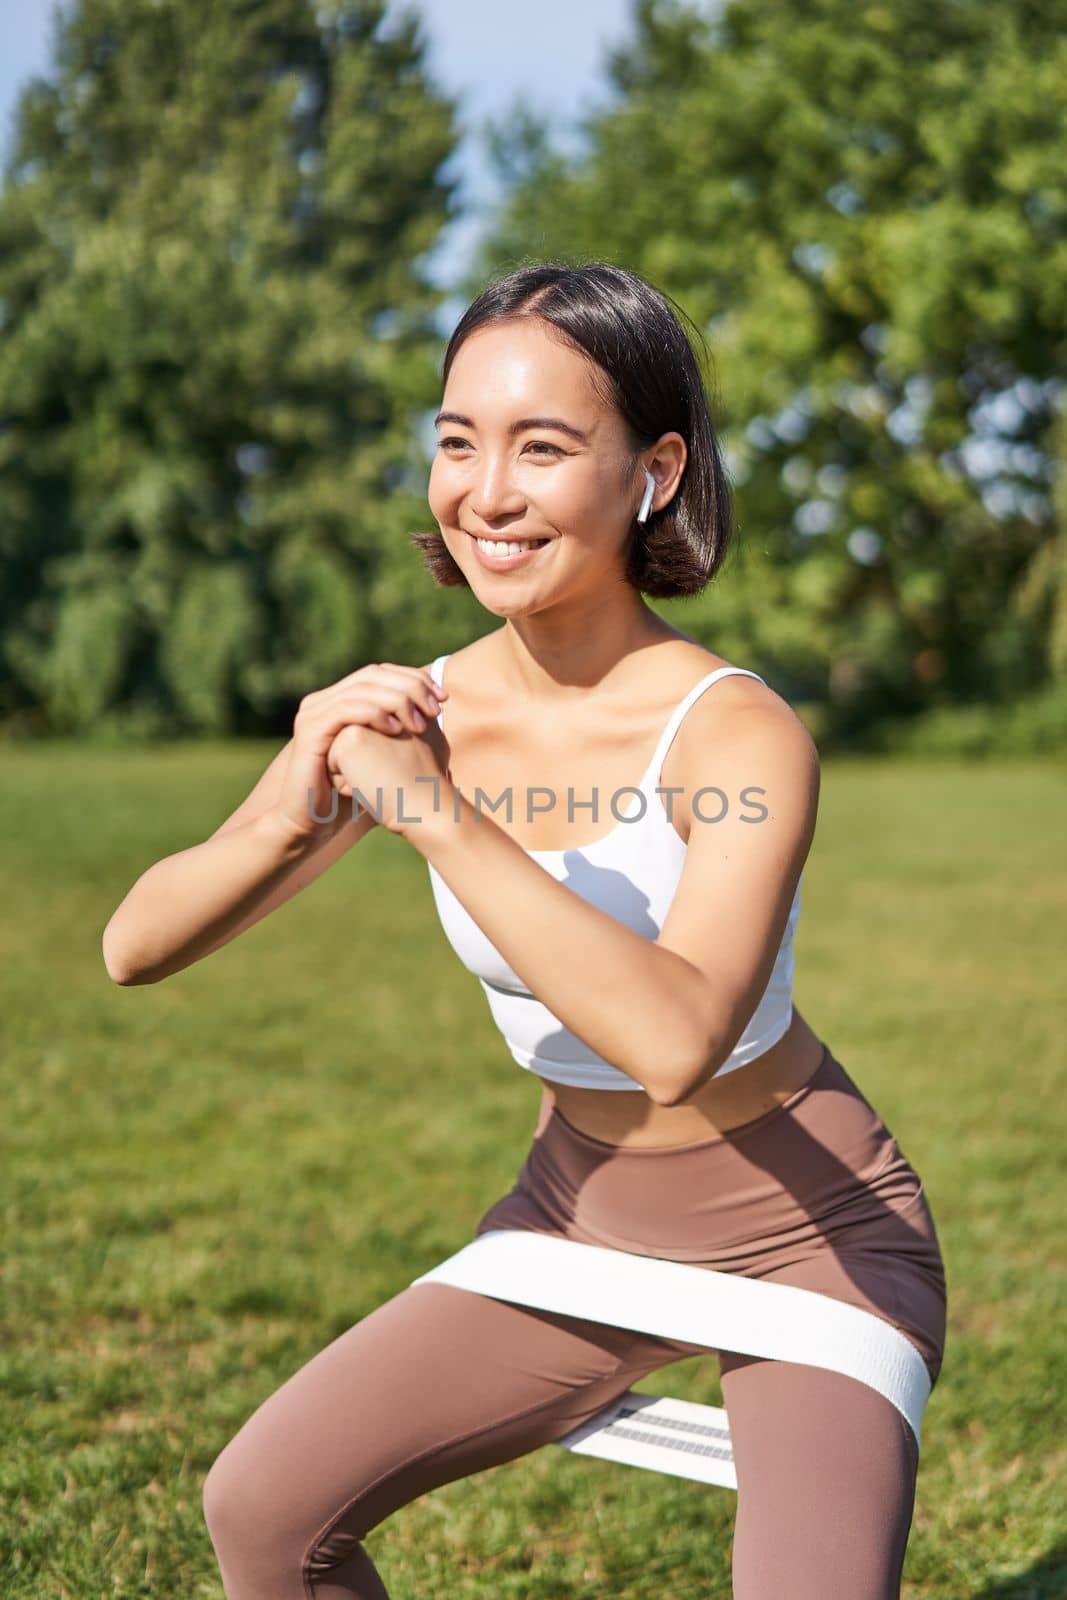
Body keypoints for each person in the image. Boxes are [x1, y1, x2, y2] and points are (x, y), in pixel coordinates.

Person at [103, 262, 948, 1598]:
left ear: (654, 472)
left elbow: (676, 1037)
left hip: (812, 1240)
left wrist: (440, 817)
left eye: (542, 447)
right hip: (577, 1215)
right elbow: (132, 946)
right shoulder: (419, 712)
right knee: (266, 1510)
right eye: (458, 440)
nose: (486, 492)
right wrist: (292, 791)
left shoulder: (734, 732)